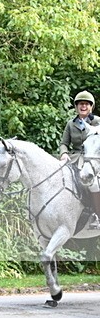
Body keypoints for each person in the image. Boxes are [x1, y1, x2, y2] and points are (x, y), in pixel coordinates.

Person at [59, 90, 100, 229]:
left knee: (93, 184)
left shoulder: (97, 121)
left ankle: (96, 214)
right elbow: (64, 143)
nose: (83, 106)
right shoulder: (71, 124)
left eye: (86, 104)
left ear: (91, 107)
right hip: (75, 158)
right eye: (81, 104)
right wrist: (64, 153)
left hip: (93, 159)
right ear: (76, 107)